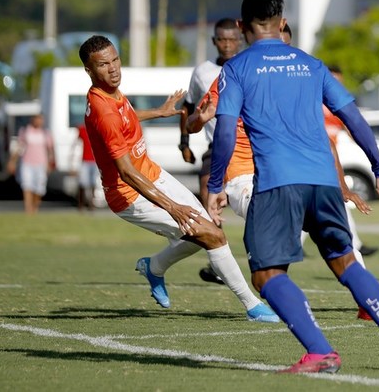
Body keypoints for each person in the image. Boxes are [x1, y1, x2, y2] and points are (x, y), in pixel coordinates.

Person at [207, 0, 379, 373]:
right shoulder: (312, 65)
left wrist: (215, 185)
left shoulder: (235, 69)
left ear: (241, 27)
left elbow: (223, 132)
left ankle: (320, 351)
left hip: (276, 183)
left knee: (266, 274)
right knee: (346, 261)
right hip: (324, 181)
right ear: (282, 22)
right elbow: (353, 117)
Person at [77, 35, 278, 323]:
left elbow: (126, 115)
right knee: (213, 235)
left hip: (153, 174)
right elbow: (126, 173)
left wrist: (158, 112)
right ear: (89, 71)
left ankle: (154, 267)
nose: (113, 69)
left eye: (115, 60)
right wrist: (173, 207)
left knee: (202, 234)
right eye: (103, 65)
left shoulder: (111, 93)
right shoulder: (102, 109)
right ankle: (252, 305)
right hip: (129, 193)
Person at [178, 18, 243, 284]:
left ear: (239, 40)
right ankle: (218, 263)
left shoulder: (247, 65)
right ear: (214, 41)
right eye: (221, 40)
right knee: (207, 198)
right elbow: (188, 107)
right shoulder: (202, 72)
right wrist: (184, 142)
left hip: (247, 147)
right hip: (215, 146)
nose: (227, 45)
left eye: (231, 40)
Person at [324, 65, 379, 258]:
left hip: (332, 160)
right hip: (314, 160)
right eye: (332, 80)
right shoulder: (312, 102)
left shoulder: (337, 106)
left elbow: (353, 129)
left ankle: (355, 243)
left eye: (339, 81)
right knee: (326, 201)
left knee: (334, 200)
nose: (336, 85)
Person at [7, 113, 55, 214]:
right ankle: (28, 209)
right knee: (27, 185)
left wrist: (51, 163)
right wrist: (12, 161)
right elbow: (19, 147)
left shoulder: (45, 133)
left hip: (41, 163)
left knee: (39, 188)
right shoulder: (25, 131)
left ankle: (35, 207)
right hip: (27, 162)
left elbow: (50, 150)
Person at [71, 122, 99, 211]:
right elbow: (76, 145)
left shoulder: (98, 130)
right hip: (85, 161)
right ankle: (81, 204)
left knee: (93, 183)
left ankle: (91, 204)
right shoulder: (83, 129)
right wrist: (73, 163)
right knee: (82, 183)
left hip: (95, 161)